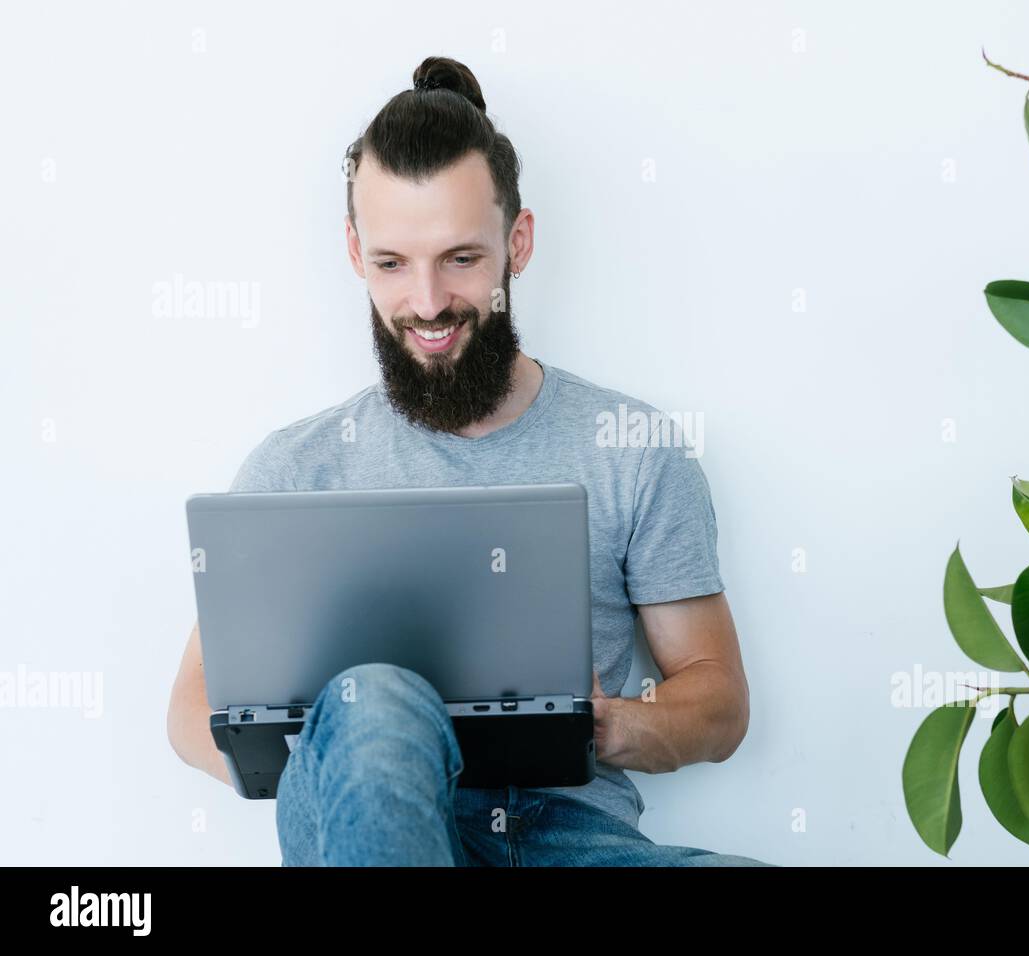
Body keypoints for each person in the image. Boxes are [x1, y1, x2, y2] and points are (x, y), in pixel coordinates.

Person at [166, 55, 772, 867]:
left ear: (516, 243)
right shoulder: (295, 470)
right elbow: (193, 708)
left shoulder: (633, 451)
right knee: (373, 697)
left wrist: (616, 723)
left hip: (573, 840)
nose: (425, 301)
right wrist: (327, 754)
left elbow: (718, 700)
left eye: (460, 258)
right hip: (373, 829)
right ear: (355, 253)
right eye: (391, 263)